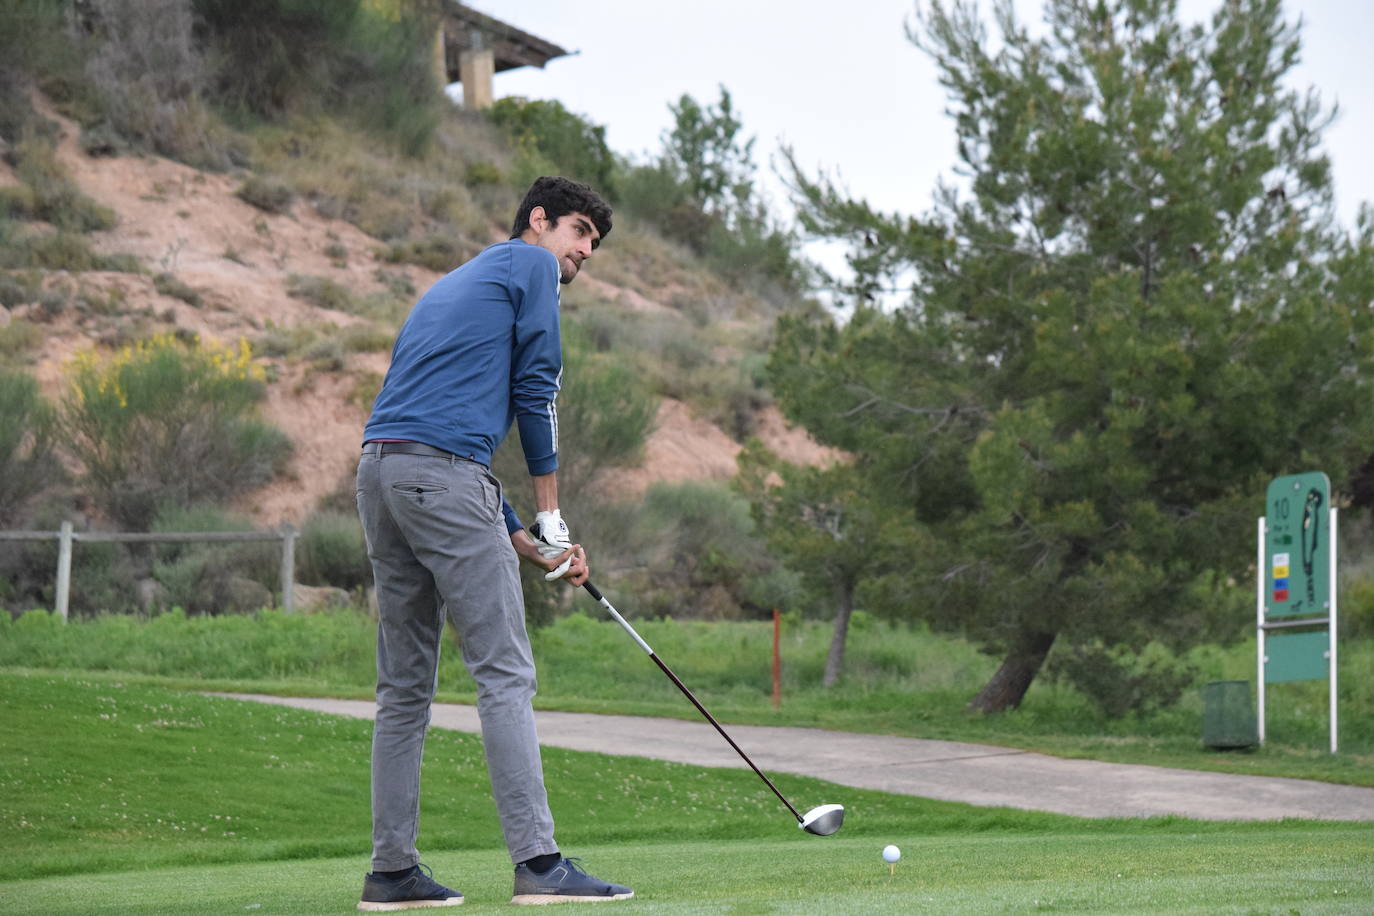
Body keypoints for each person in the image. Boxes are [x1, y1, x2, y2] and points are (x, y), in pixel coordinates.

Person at [353, 177, 632, 909]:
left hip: (381, 472)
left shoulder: (453, 284)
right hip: (438, 476)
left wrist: (513, 529)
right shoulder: (533, 268)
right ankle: (539, 866)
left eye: (592, 246)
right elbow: (538, 388)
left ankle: (391, 875)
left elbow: (440, 424)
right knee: (505, 674)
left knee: (404, 689)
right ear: (537, 221)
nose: (581, 253)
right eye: (577, 232)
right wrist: (552, 520)